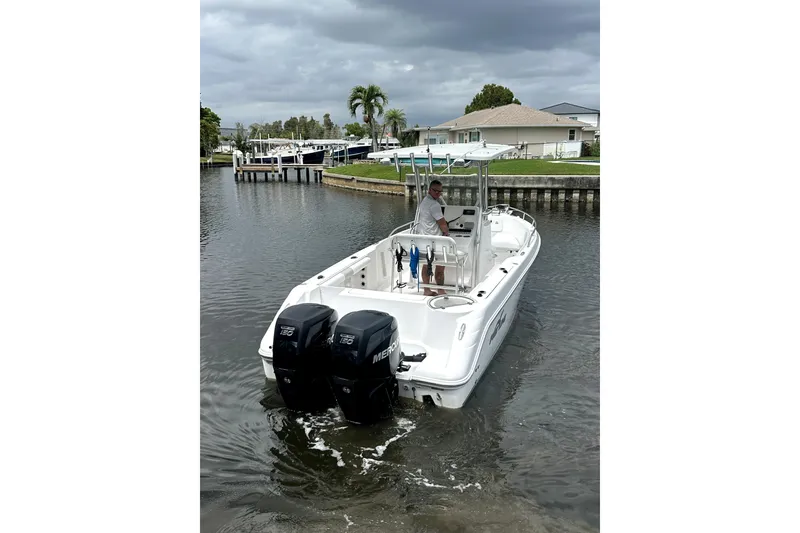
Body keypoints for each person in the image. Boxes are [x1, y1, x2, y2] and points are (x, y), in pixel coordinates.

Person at [416, 180, 449, 296]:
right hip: (435, 241)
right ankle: (441, 290)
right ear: (429, 190)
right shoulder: (435, 205)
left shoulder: (424, 202)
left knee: (426, 265)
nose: (438, 193)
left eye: (440, 191)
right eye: (435, 191)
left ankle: (426, 290)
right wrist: (446, 234)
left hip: (423, 241)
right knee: (440, 265)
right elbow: (443, 224)